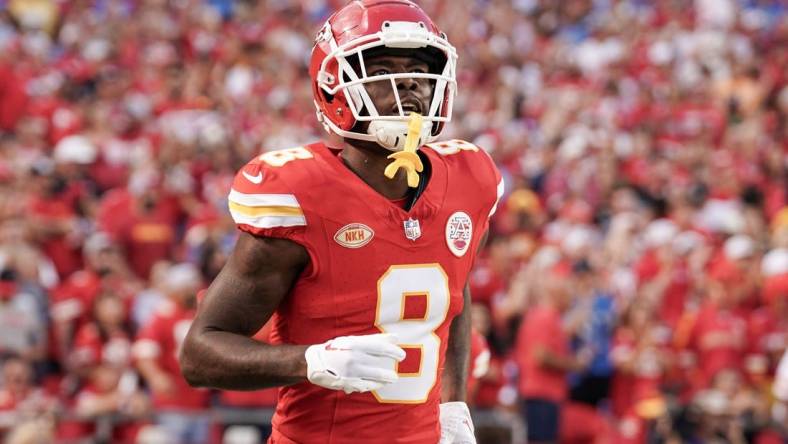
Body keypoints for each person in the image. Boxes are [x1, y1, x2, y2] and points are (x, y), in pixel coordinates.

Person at [180, 1, 502, 443]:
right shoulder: (302, 192)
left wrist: (453, 405)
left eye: (417, 66)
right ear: (335, 85)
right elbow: (200, 353)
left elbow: (455, 291)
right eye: (384, 65)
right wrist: (310, 362)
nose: (408, 79)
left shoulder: (470, 177)